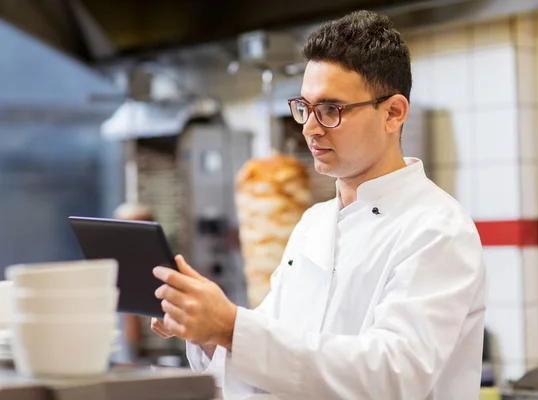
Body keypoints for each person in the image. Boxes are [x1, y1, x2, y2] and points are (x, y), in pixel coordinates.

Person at [151, 10, 487, 399]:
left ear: (393, 113)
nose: (309, 127)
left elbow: (394, 375)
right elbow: (272, 355)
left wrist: (231, 327)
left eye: (331, 110)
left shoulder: (437, 229)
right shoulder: (313, 223)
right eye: (305, 108)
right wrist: (207, 332)